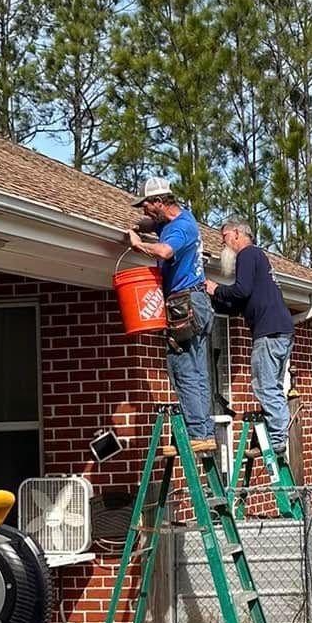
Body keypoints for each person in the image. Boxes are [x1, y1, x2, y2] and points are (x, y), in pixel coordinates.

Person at [127, 175, 216, 443]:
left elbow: (165, 252)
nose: (143, 210)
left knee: (183, 369)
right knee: (198, 371)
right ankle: (204, 432)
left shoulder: (179, 230)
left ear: (158, 201)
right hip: (195, 302)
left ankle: (197, 434)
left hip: (184, 304)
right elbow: (153, 224)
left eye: (146, 204)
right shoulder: (180, 220)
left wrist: (137, 244)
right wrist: (142, 225)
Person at [210, 217, 296, 463]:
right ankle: (273, 436)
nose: (222, 241)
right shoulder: (259, 258)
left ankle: (277, 441)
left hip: (268, 333)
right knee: (273, 387)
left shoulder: (247, 254)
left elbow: (240, 291)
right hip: (280, 330)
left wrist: (215, 289)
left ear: (236, 233)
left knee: (264, 386)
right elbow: (239, 303)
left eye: (224, 236)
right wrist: (216, 300)